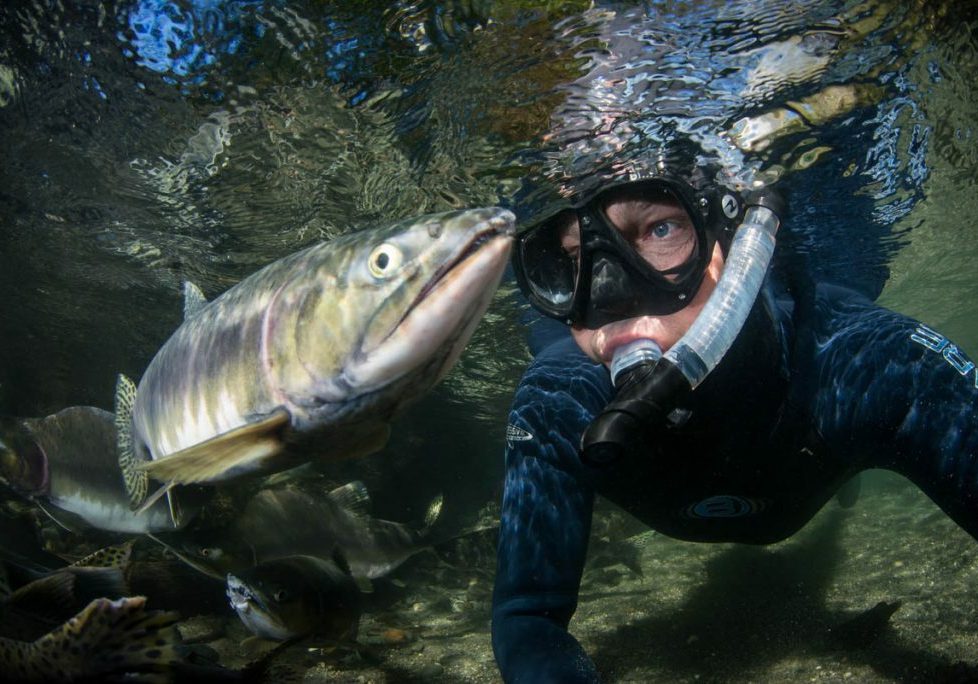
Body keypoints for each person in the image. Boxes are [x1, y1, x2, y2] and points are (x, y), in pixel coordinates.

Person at [490, 157, 978, 682]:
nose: (608, 295)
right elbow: (527, 617)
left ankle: (845, 479)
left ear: (738, 242)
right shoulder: (556, 406)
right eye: (570, 259)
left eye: (661, 228)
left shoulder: (877, 363)